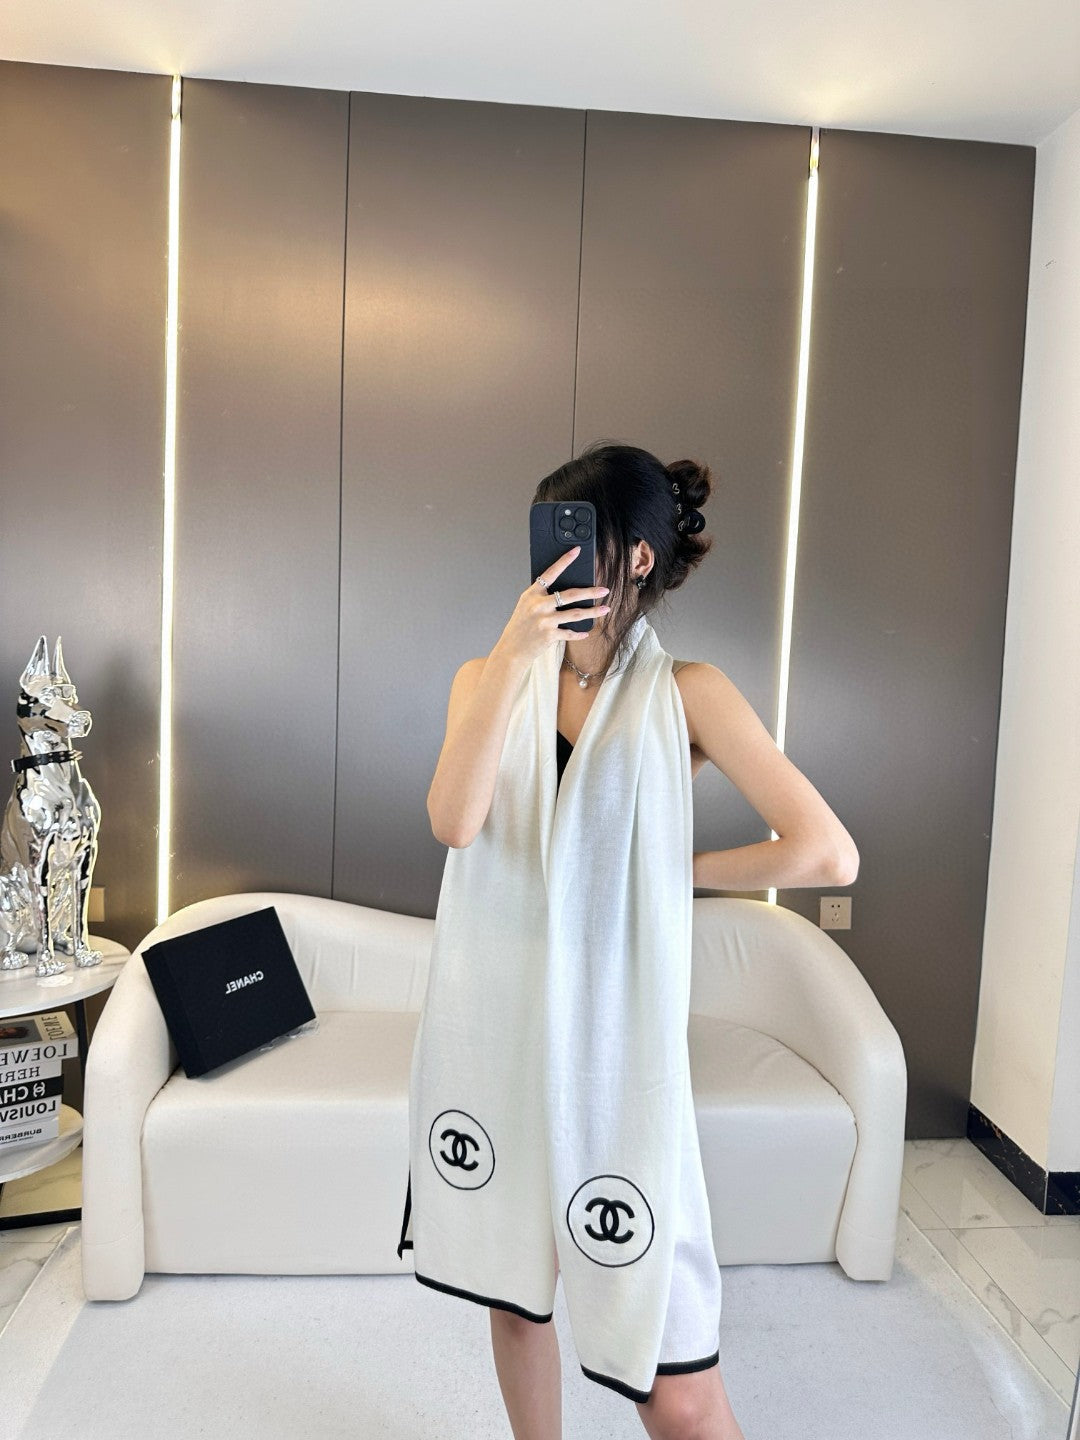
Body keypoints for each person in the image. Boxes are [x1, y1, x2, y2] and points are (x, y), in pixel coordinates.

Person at [413, 441, 858, 1439]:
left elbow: (827, 852)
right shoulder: (486, 677)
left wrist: (673, 871)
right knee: (515, 1299)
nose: (554, 562)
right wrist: (515, 658)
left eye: (578, 538)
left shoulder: (687, 694)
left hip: (617, 1057)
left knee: (678, 1387)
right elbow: (454, 820)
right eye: (545, 537)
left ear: (639, 558)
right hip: (500, 1040)